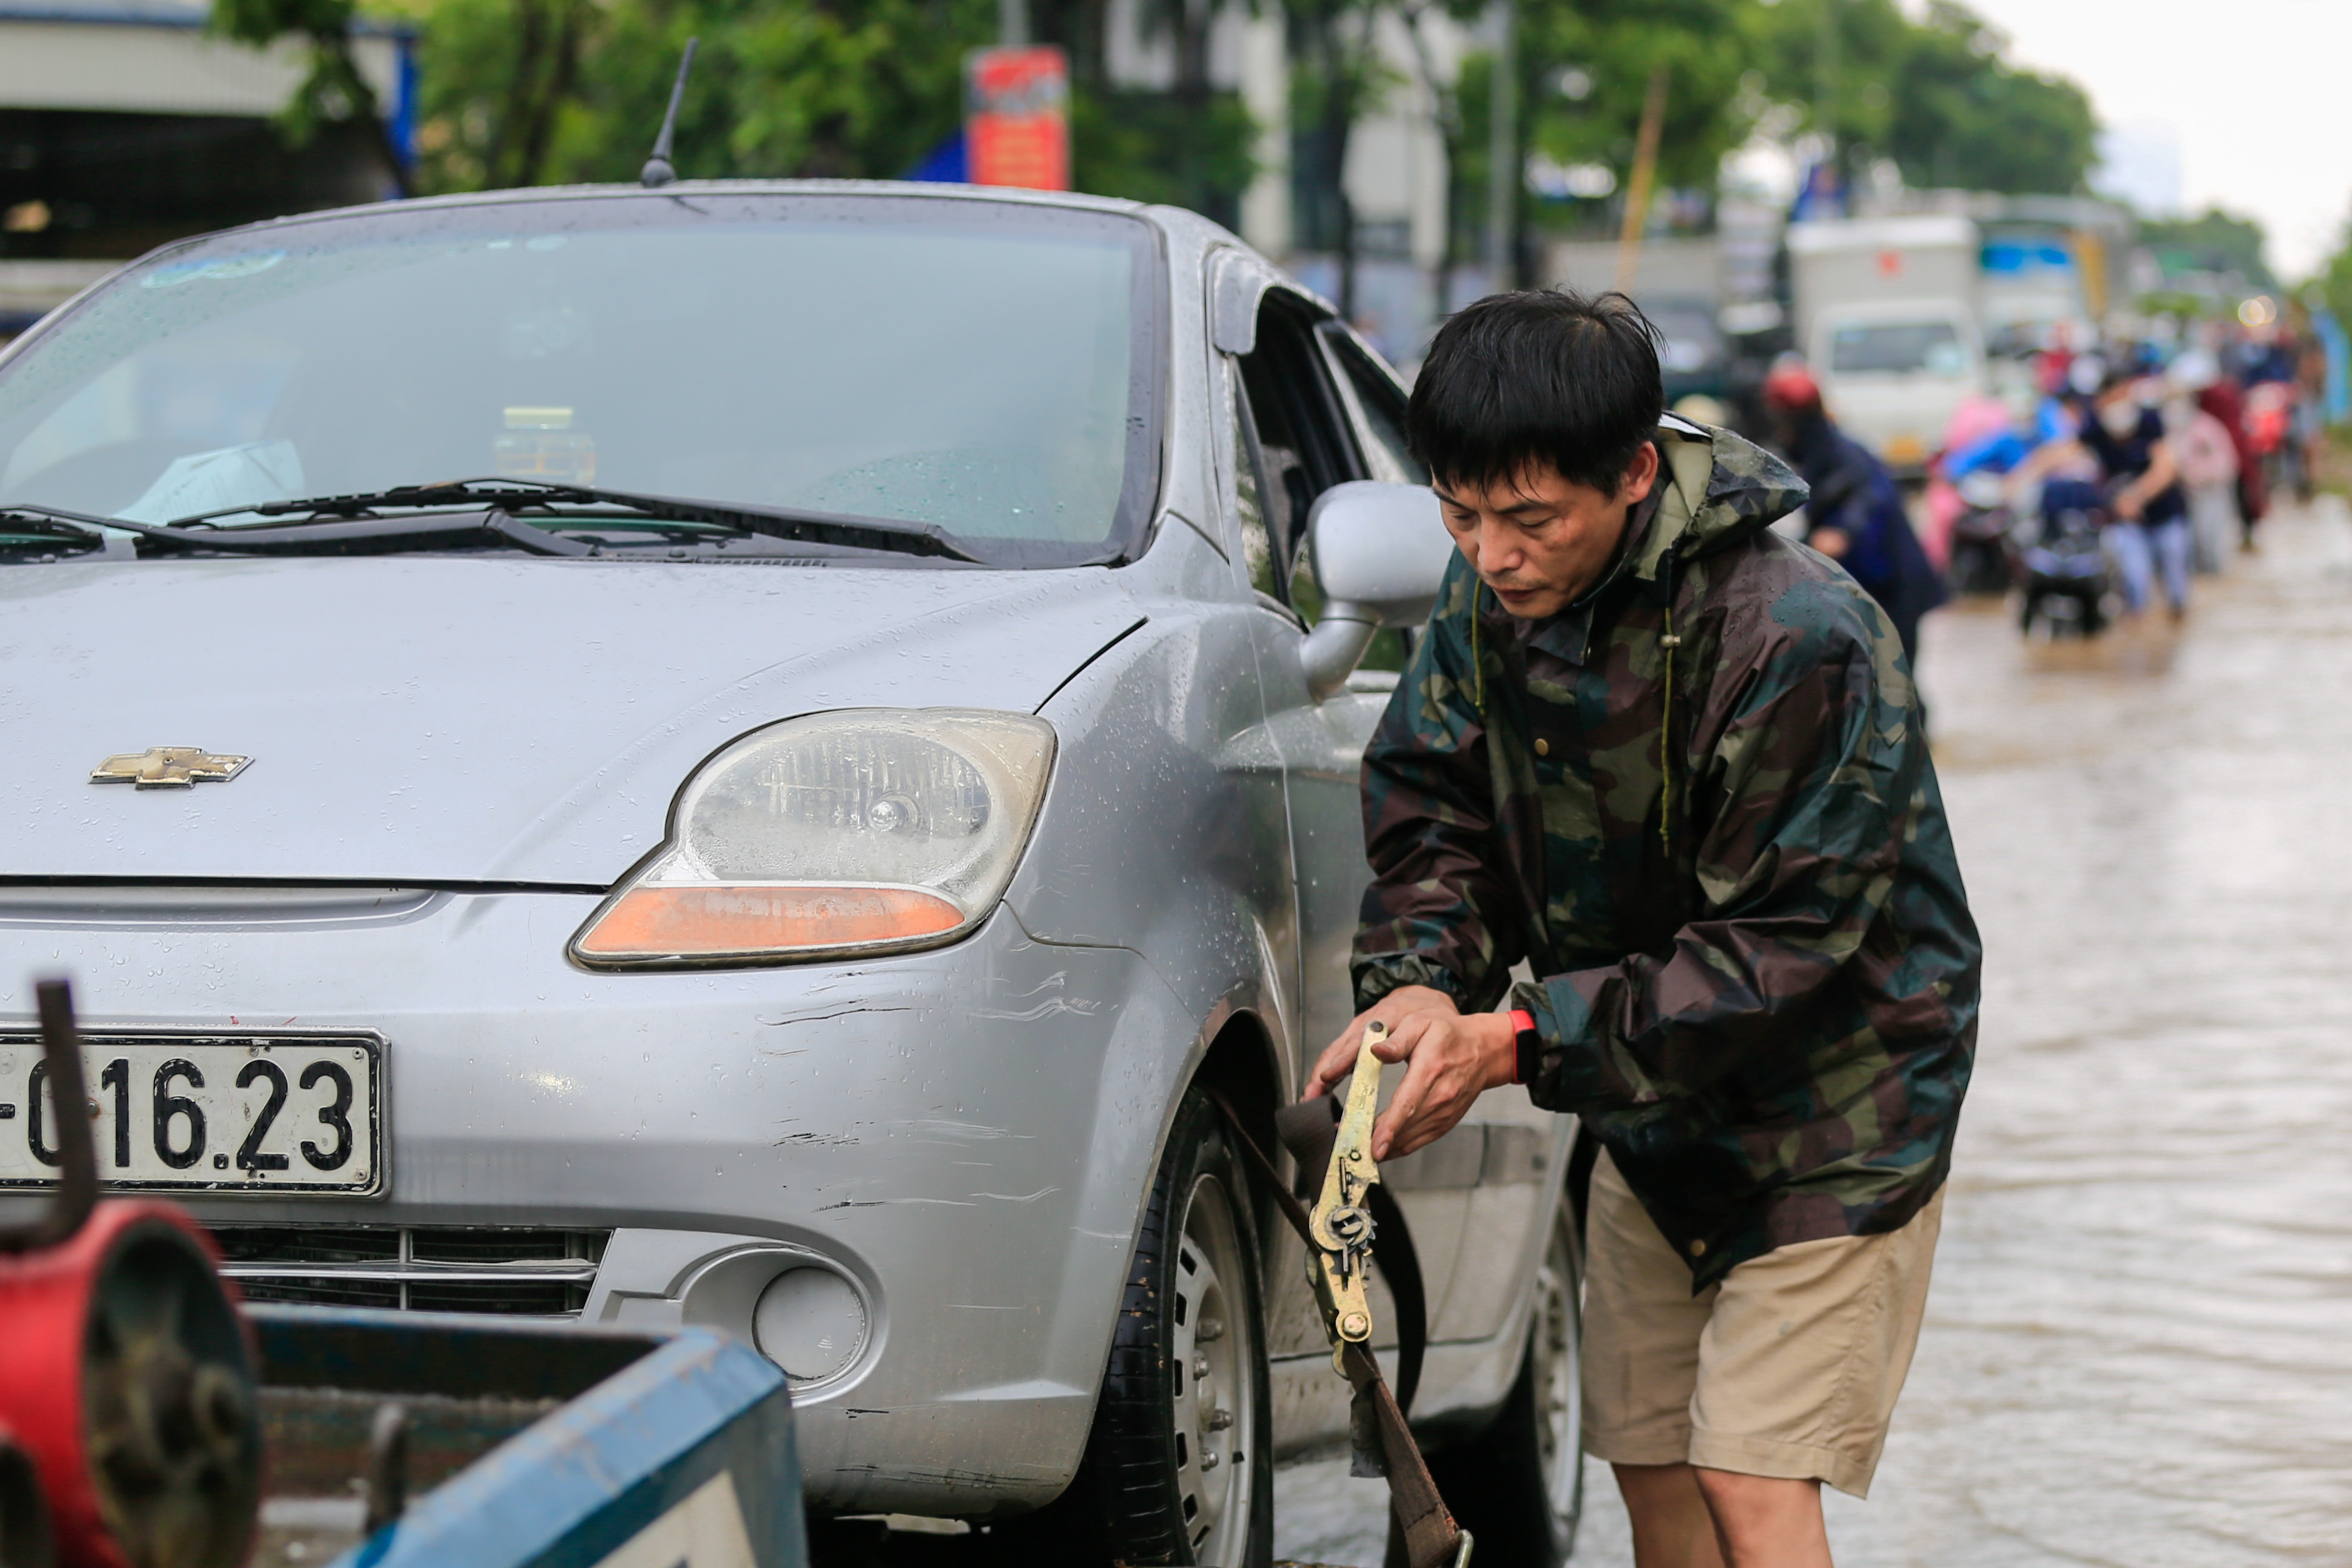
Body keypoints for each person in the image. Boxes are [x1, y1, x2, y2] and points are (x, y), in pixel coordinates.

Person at [1306, 290, 1981, 1568]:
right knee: (1652, 1458)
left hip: (1836, 1110)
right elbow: (1434, 805)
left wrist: (1510, 1038)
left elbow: (1775, 947)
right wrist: (1413, 985)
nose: (1492, 554)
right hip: (1648, 1108)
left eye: (1528, 519)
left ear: (1630, 471)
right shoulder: (1484, 601)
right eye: (1460, 515)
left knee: (1750, 1471)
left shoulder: (1795, 637)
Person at [1758, 360, 1947, 667]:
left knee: (1894, 687)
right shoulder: (1816, 453)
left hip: (1891, 587)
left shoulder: (1842, 456)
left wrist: (1844, 530)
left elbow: (1870, 498)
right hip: (1867, 589)